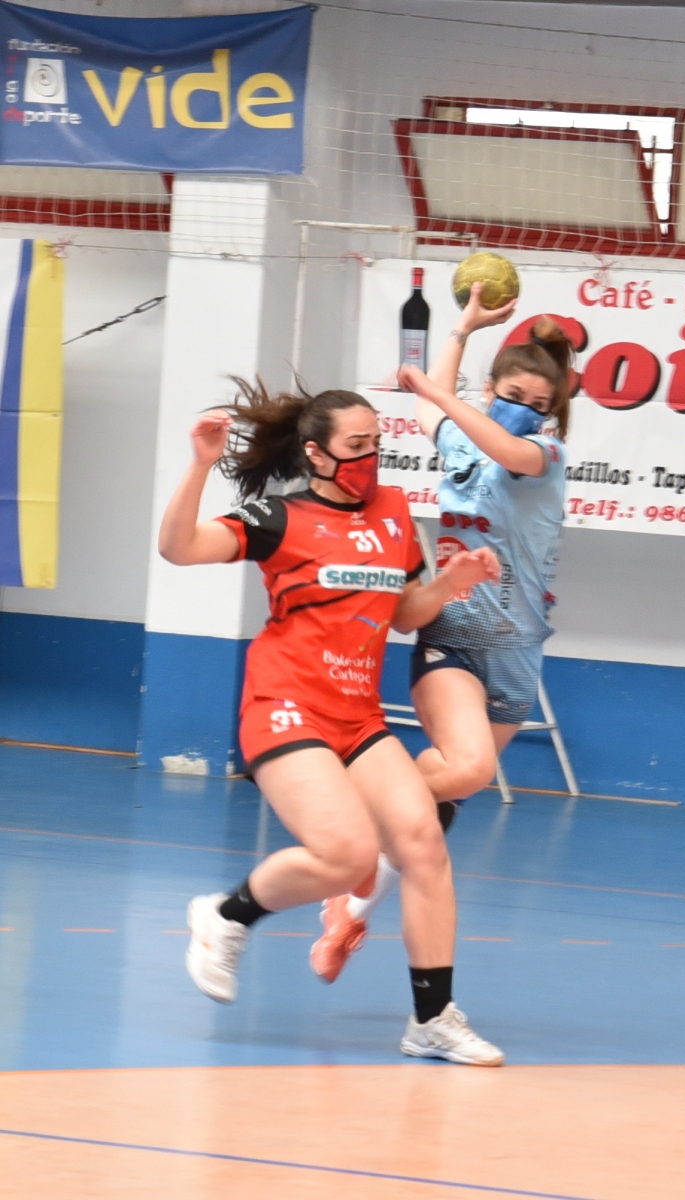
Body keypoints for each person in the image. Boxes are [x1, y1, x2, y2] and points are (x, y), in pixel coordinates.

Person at [158, 378, 505, 1066]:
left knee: (422, 842)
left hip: (356, 714)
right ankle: (226, 915)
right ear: (317, 454)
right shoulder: (279, 519)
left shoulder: (393, 512)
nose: (369, 456)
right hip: (285, 703)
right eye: (356, 444)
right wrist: (200, 466)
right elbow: (180, 547)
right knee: (347, 856)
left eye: (377, 443)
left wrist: (448, 584)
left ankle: (431, 1020)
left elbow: (402, 613)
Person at [311, 283, 573, 982]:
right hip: (453, 635)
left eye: (540, 403)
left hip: (518, 653)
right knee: (465, 768)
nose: (526, 409)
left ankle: (351, 909)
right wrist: (462, 328)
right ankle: (350, 818)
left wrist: (434, 389)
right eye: (513, 395)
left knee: (445, 801)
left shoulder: (544, 456)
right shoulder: (462, 437)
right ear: (491, 390)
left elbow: (492, 438)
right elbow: (441, 410)